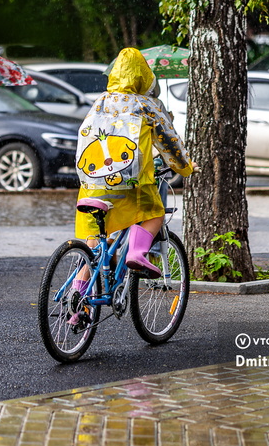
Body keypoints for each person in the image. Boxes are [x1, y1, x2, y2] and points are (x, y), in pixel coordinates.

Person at [71, 47, 195, 292]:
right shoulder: (146, 104)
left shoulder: (100, 102)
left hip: (92, 185)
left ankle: (78, 296)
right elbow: (170, 143)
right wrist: (186, 167)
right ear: (144, 76)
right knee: (154, 214)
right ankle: (138, 253)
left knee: (97, 244)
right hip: (131, 185)